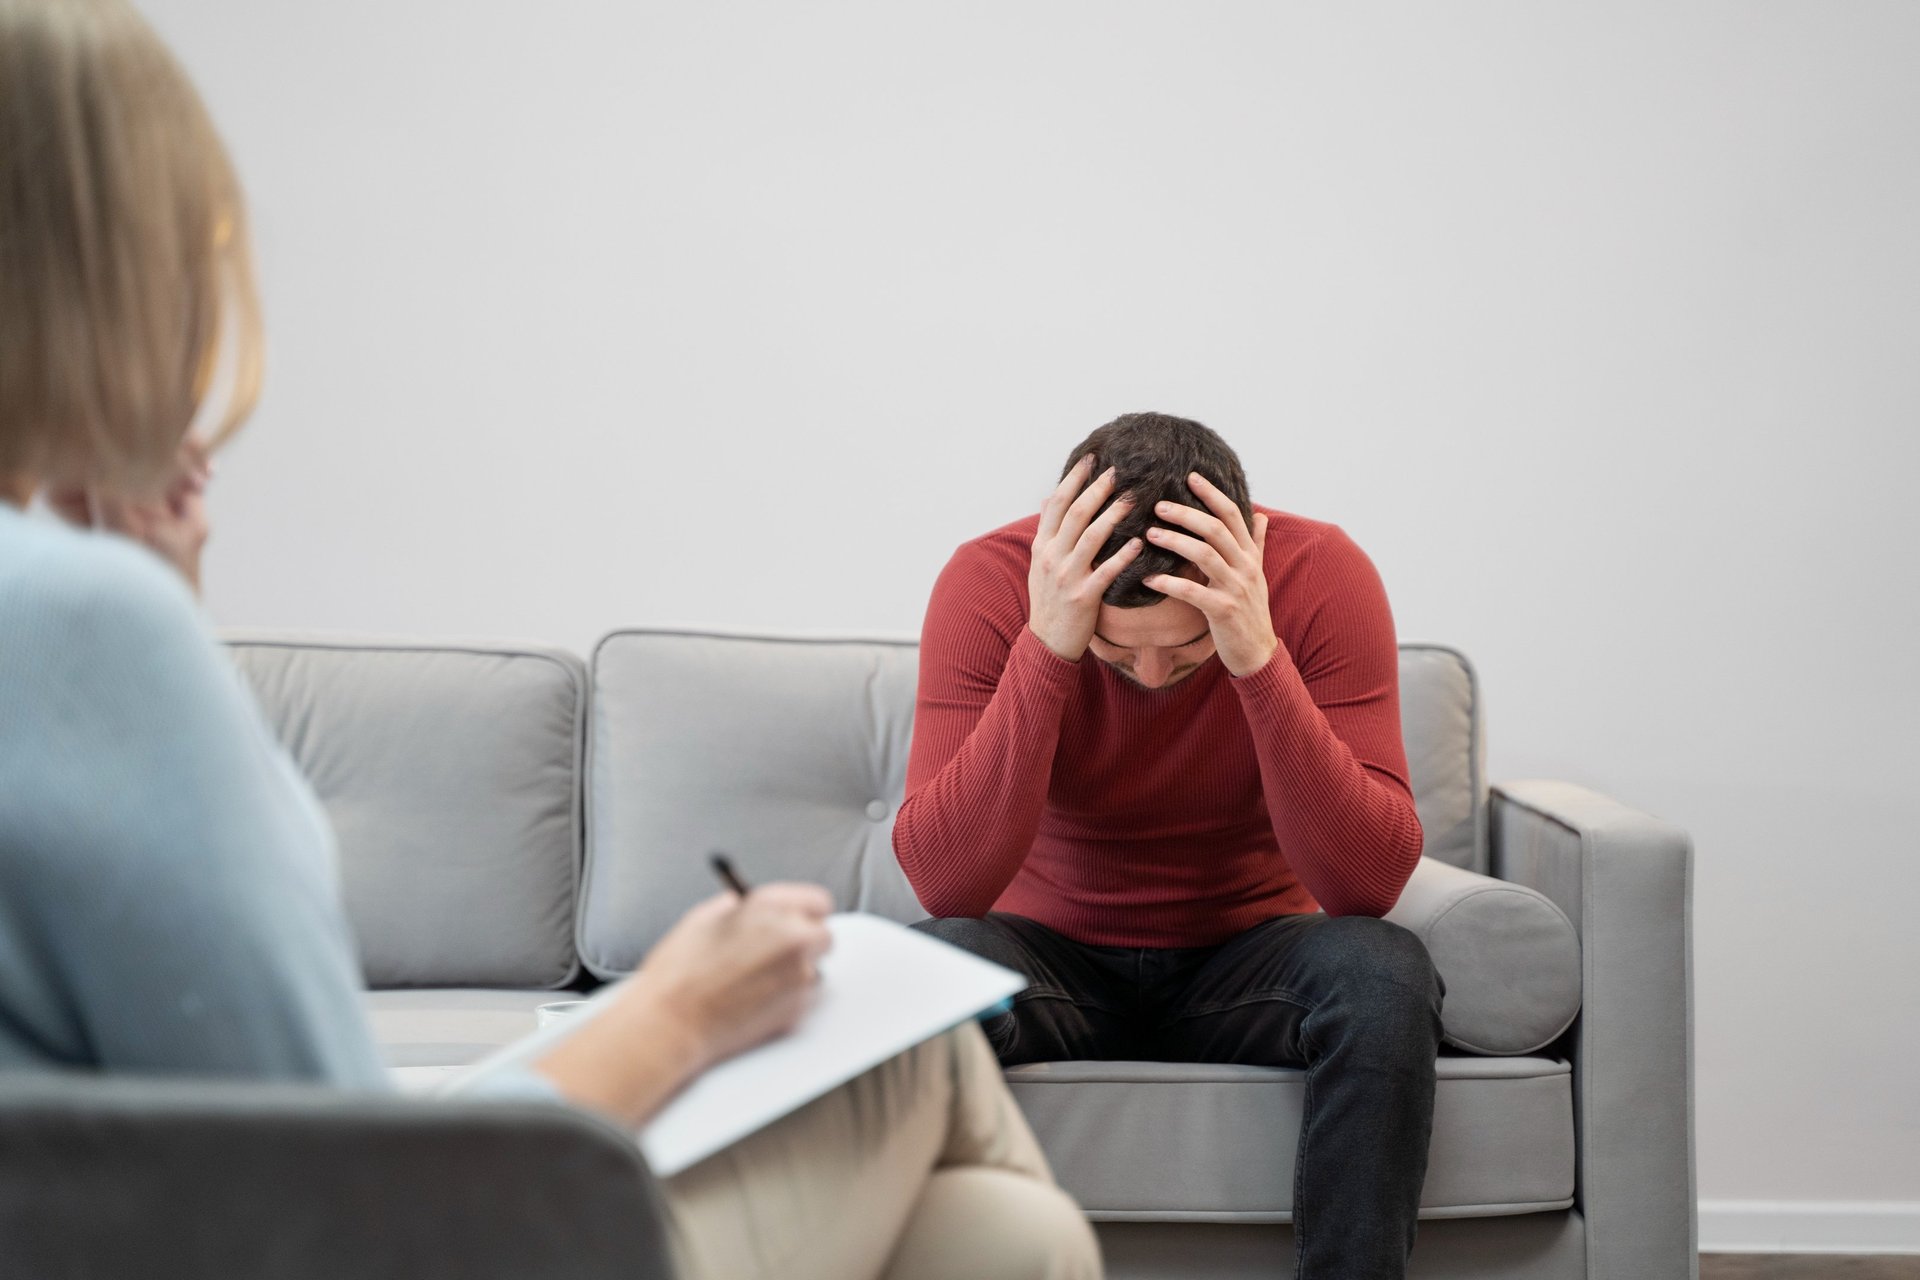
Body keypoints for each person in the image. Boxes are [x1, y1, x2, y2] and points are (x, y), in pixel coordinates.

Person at [0, 4, 1099, 1278]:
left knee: (1001, 1237)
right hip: (363, 1248)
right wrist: (681, 1006)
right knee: (921, 1052)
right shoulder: (82, 621)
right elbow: (333, 1196)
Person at [897, 411, 1445, 1278]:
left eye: (1187, 651)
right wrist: (1049, 646)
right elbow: (946, 884)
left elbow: (1365, 884)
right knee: (929, 969)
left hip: (1247, 961)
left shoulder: (1321, 574)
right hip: (1051, 962)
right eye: (1118, 653)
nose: (1152, 678)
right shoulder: (990, 580)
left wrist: (1256, 655)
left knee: (1385, 971)